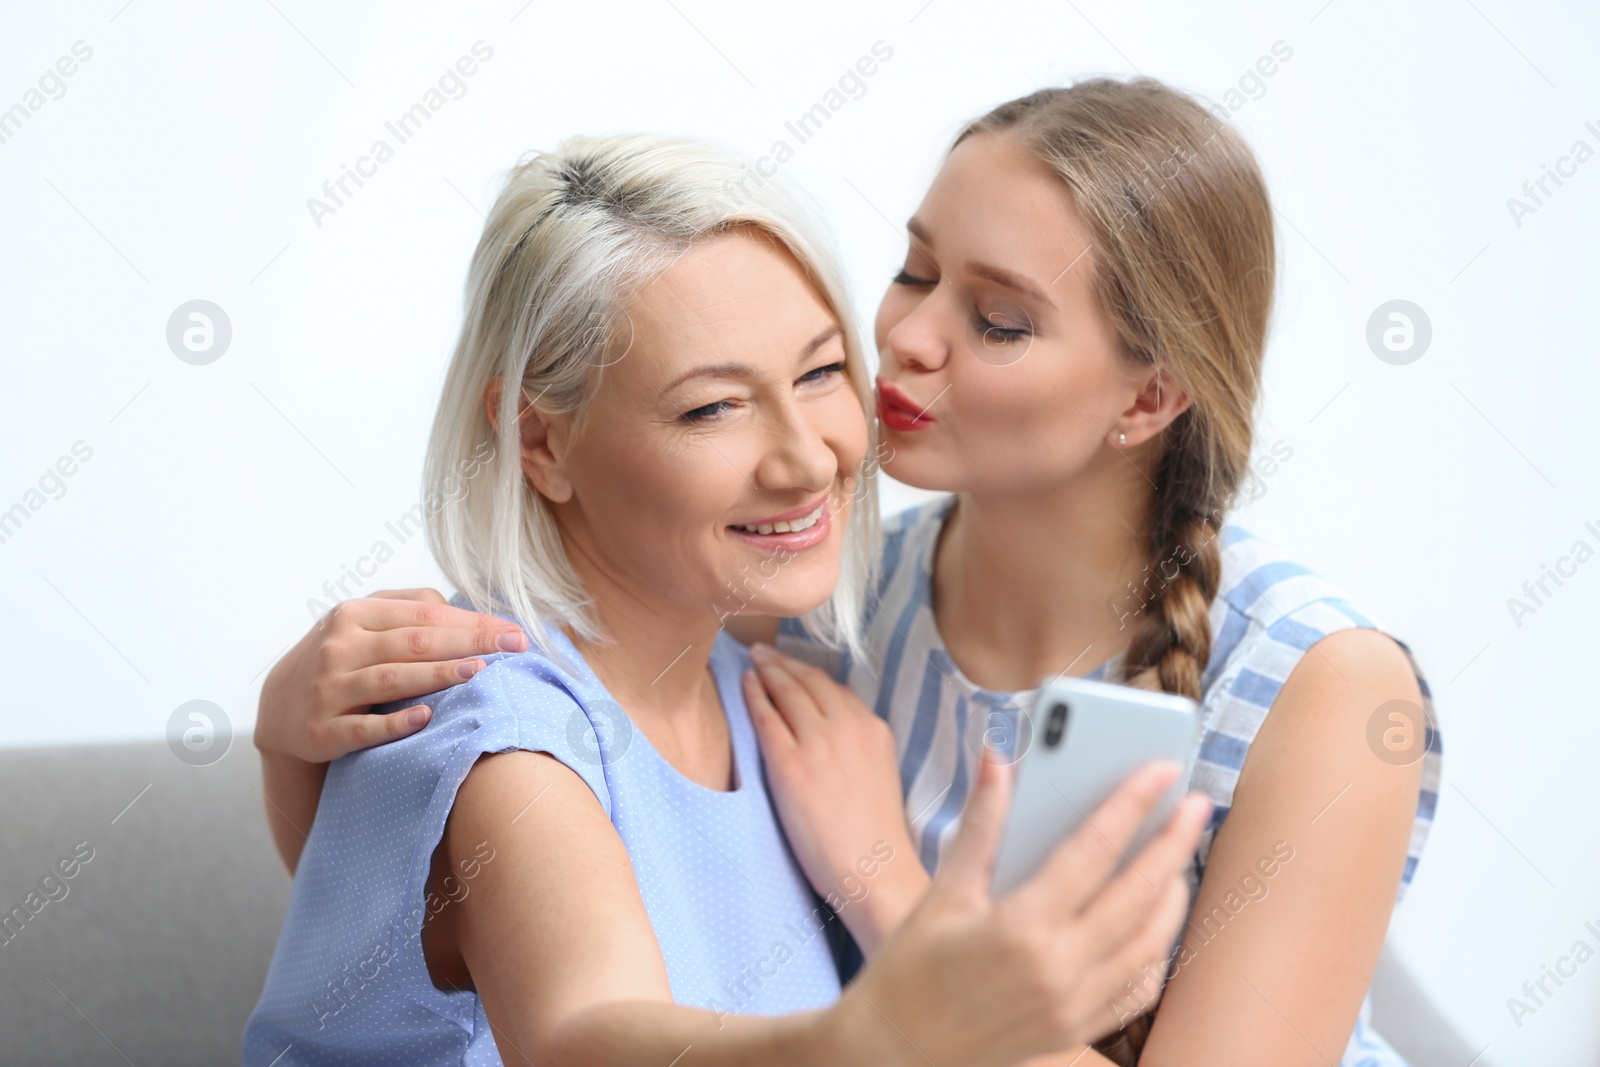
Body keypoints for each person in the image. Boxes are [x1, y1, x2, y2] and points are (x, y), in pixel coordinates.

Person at [256, 79, 1443, 1065]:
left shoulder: (1325, 685)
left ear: (1147, 395)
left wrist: (883, 883)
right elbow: (474, 923)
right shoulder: (817, 608)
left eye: (1001, 319)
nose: (907, 341)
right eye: (917, 271)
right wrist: (295, 741)